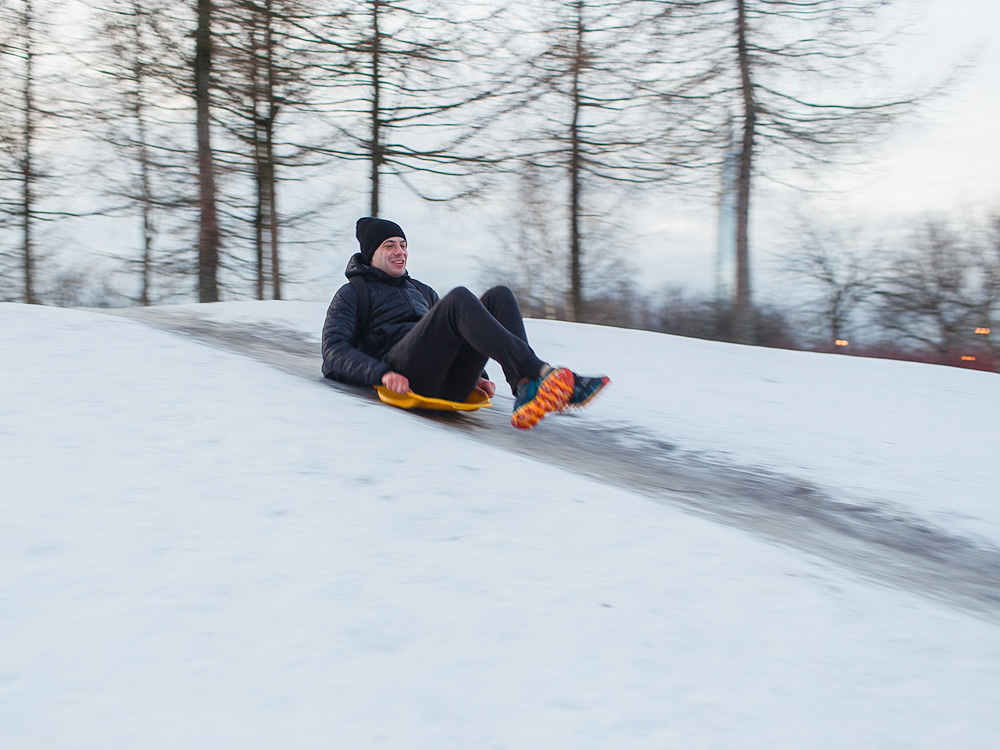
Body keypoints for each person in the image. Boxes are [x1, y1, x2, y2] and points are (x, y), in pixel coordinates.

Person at [322, 217, 609, 429]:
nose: (400, 252)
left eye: (403, 245)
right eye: (389, 246)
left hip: (447, 381)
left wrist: (478, 375)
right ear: (371, 254)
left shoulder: (423, 291)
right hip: (404, 376)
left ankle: (523, 385)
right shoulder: (354, 292)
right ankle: (541, 372)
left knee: (499, 296)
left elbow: (459, 333)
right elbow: (333, 349)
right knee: (458, 299)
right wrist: (382, 374)